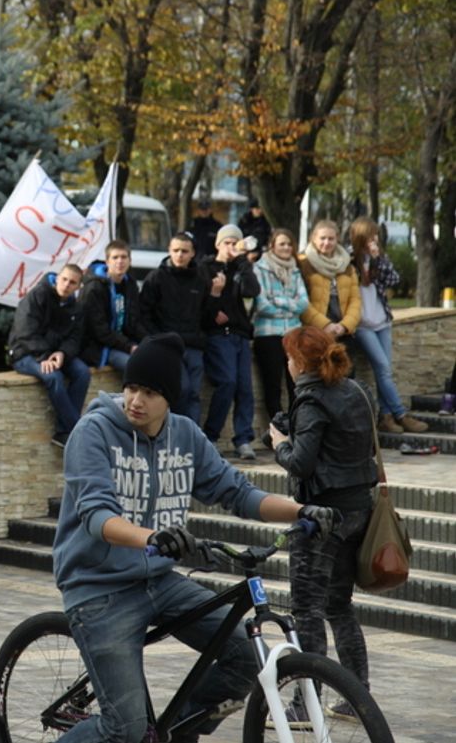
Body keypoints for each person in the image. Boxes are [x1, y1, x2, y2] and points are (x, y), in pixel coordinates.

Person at [52, 333, 335, 743]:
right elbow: (98, 518)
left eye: (149, 392)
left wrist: (301, 510)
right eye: (132, 388)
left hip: (159, 581)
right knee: (124, 730)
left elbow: (237, 492)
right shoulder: (92, 433)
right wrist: (154, 537)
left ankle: (174, 731)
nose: (135, 400)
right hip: (97, 588)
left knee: (243, 657)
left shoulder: (183, 435)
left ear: (170, 398)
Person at [268, 325, 377, 722]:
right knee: (339, 607)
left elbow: (301, 463)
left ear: (299, 362)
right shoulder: (356, 391)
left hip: (321, 519)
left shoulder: (312, 399)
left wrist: (279, 441)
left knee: (308, 610)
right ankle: (357, 696)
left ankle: (305, 705)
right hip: (358, 511)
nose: (288, 365)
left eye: (289, 358)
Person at [348, 217, 428, 434]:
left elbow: (393, 280)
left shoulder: (378, 258)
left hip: (382, 321)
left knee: (385, 371)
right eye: (370, 235)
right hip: (362, 324)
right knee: (383, 368)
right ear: (360, 236)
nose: (374, 239)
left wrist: (379, 259)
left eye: (376, 235)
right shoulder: (348, 258)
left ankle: (385, 417)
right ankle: (400, 414)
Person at [7, 264, 92, 446]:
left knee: (83, 372)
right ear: (57, 278)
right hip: (25, 353)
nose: (66, 284)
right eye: (64, 279)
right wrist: (44, 355)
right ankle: (77, 430)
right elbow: (25, 331)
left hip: (54, 354)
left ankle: (63, 433)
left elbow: (74, 339)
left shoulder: (76, 308)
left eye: (72, 282)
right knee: (54, 376)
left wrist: (62, 353)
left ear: (78, 287)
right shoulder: (37, 295)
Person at [200, 224, 261, 460]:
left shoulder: (241, 267)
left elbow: (252, 291)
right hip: (217, 334)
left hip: (240, 334)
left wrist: (243, 262)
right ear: (217, 244)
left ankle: (243, 438)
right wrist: (215, 303)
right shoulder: (206, 268)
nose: (231, 247)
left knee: (245, 388)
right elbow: (202, 304)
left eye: (235, 243)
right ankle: (211, 435)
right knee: (227, 382)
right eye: (227, 243)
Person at [138, 231, 210, 423]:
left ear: (193, 253)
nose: (180, 255)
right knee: (181, 389)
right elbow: (144, 313)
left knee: (194, 393)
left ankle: (193, 440)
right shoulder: (156, 278)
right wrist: (157, 340)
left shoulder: (201, 279)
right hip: (167, 346)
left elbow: (206, 312)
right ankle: (174, 435)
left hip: (193, 345)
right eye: (176, 250)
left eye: (184, 251)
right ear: (169, 251)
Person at [252, 228, 309, 426]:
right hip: (268, 334)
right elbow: (262, 306)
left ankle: (295, 427)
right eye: (281, 244)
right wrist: (290, 306)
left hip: (293, 333)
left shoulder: (294, 269)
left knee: (297, 384)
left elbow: (304, 303)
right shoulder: (260, 269)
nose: (286, 247)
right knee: (273, 385)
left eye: (289, 244)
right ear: (272, 246)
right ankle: (278, 429)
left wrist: (278, 300)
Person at [79, 240, 149, 372]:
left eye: (124, 257)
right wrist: (130, 347)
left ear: (130, 260)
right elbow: (100, 331)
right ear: (107, 261)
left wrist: (148, 341)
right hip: (99, 347)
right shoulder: (94, 287)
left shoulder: (130, 284)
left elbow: (134, 322)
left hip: (122, 342)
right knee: (136, 367)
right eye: (115, 257)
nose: (120, 261)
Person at [298, 219, 360, 345]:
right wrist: (325, 325)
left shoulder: (347, 266)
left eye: (331, 238)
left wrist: (344, 326)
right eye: (322, 238)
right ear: (314, 238)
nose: (326, 242)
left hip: (341, 331)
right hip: (313, 331)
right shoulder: (303, 264)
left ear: (337, 239)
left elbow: (355, 300)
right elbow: (300, 300)